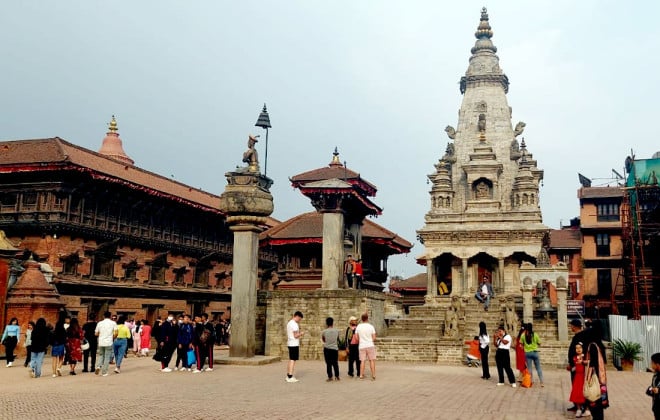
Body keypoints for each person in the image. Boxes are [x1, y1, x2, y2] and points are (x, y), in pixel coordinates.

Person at [567, 319, 588, 411]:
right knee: (576, 385)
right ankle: (577, 404)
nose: (570, 327)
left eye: (571, 326)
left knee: (578, 385)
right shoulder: (580, 336)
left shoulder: (579, 337)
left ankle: (582, 405)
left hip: (578, 365)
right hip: (576, 364)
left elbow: (578, 351)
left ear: (575, 326)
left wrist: (573, 364)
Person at [569, 342, 589, 418]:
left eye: (580, 348)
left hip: (584, 376)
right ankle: (578, 409)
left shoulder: (585, 357)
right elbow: (573, 368)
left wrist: (583, 362)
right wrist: (571, 368)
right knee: (577, 392)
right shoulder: (574, 357)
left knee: (585, 392)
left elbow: (588, 363)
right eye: (576, 348)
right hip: (577, 377)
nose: (578, 349)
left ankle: (587, 409)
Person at [94, 311, 117, 377]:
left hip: (101, 342)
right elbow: (116, 333)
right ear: (110, 316)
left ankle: (98, 366)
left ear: (103, 316)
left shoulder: (99, 323)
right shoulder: (113, 323)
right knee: (107, 357)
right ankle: (104, 372)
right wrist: (113, 338)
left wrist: (101, 335)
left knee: (101, 355)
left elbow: (96, 333)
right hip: (109, 342)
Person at [521, 322, 544, 387]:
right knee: (538, 368)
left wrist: (524, 346)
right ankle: (541, 382)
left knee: (529, 369)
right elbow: (539, 343)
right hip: (535, 352)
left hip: (527, 353)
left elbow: (521, 344)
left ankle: (530, 382)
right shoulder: (535, 335)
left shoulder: (523, 335)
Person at [355, 312, 377, 381]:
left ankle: (361, 375)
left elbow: (356, 337)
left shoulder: (358, 327)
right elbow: (374, 337)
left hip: (362, 345)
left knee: (362, 361)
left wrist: (361, 341)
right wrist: (370, 341)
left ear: (362, 319)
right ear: (367, 318)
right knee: (372, 360)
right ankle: (373, 375)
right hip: (370, 345)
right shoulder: (371, 326)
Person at [285, 311, 305, 383]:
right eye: (299, 319)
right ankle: (290, 376)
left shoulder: (289, 323)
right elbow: (296, 336)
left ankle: (288, 375)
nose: (299, 321)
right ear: (297, 316)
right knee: (293, 360)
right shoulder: (294, 324)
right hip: (294, 344)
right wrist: (301, 333)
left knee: (291, 359)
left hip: (290, 343)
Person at [321, 317, 340, 382]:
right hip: (335, 349)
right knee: (335, 363)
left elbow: (324, 340)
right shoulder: (337, 331)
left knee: (328, 363)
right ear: (332, 323)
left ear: (326, 323)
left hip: (327, 349)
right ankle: (337, 376)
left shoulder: (324, 331)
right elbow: (337, 339)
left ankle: (330, 377)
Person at [51, 313, 67, 377]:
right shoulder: (63, 331)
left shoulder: (54, 331)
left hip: (55, 345)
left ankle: (54, 373)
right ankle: (59, 368)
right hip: (61, 344)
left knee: (54, 359)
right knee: (61, 358)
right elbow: (65, 338)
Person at [646, 352, 660, 420]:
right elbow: (652, 386)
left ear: (657, 364)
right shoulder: (655, 376)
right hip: (656, 407)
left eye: (652, 363)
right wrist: (650, 389)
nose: (651, 365)